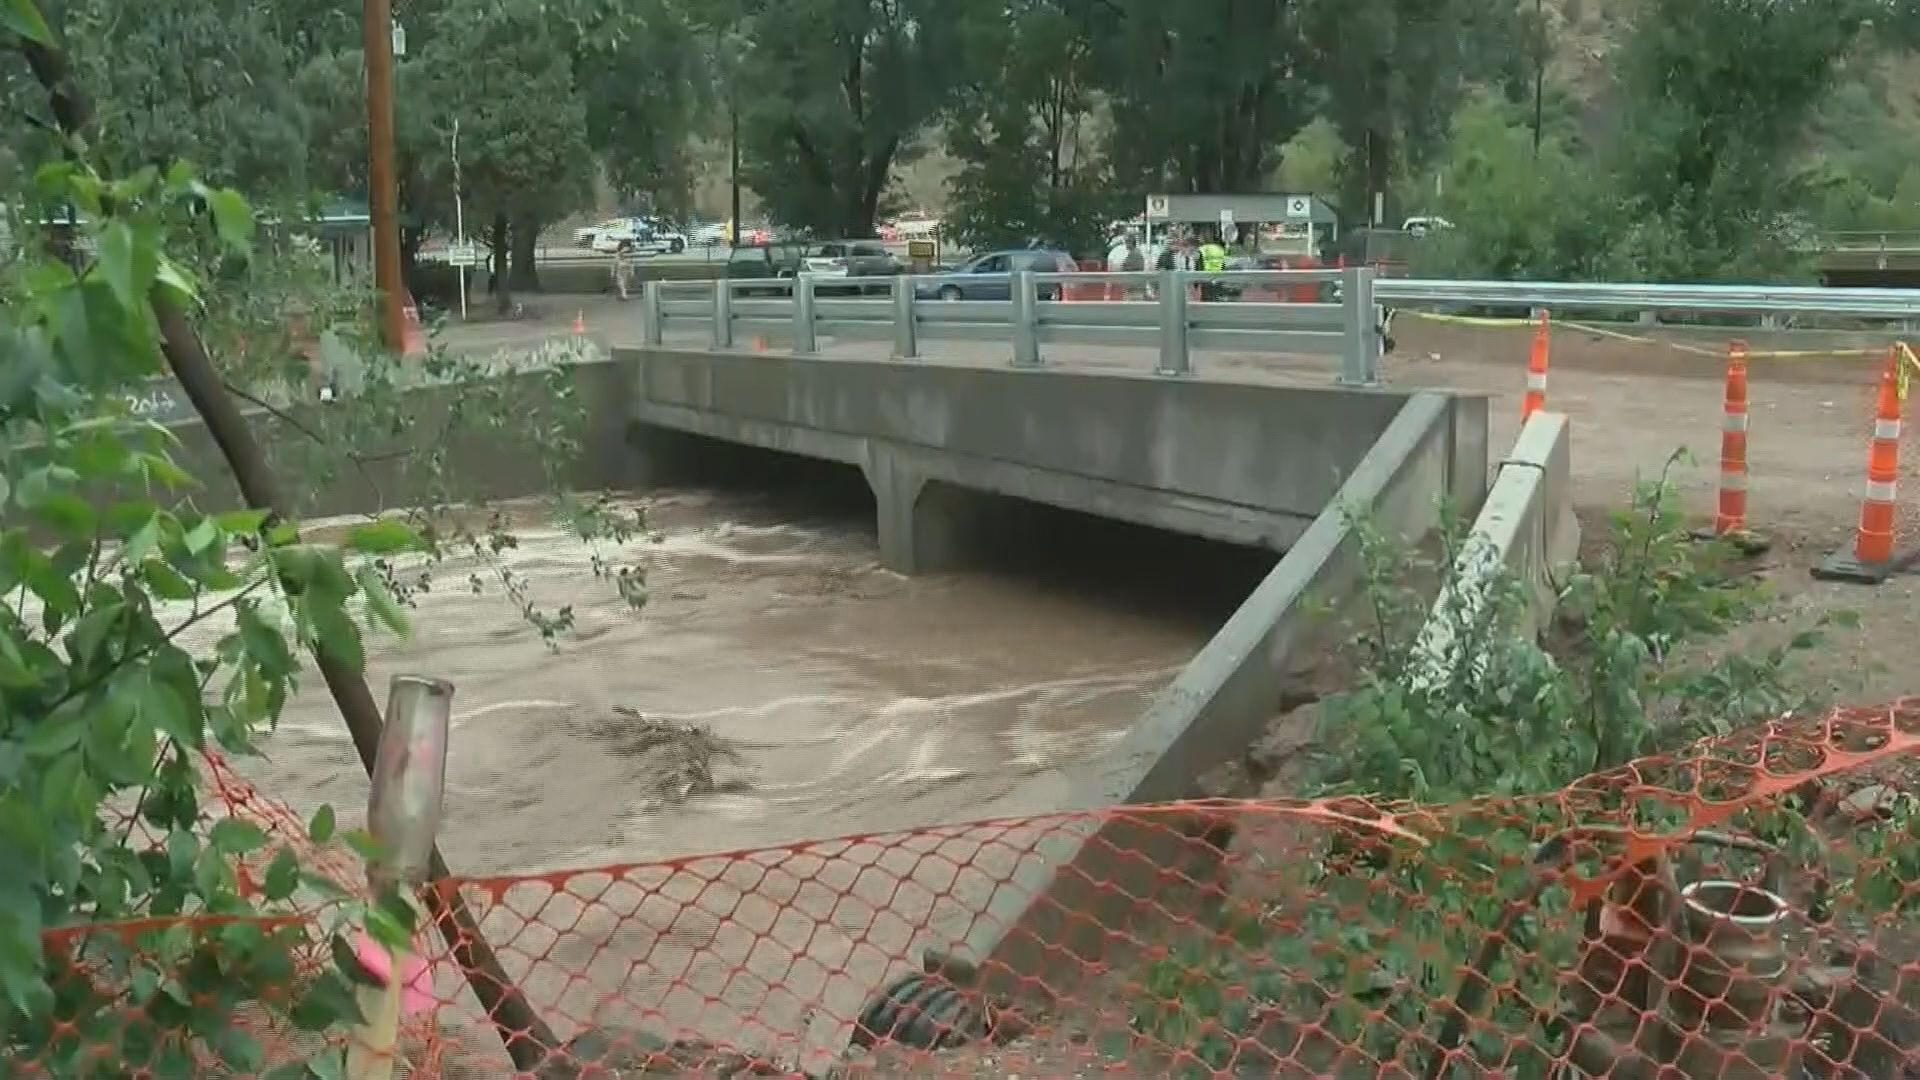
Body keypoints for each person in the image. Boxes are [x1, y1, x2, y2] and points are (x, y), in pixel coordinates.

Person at [1197, 230, 1229, 301]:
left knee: (1207, 299)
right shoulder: (1220, 249)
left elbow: (1200, 265)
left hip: (1206, 277)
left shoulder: (1203, 249)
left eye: (1200, 237)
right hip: (1218, 276)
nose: (1199, 238)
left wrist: (1196, 281)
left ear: (1204, 238)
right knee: (1217, 297)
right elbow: (1223, 264)